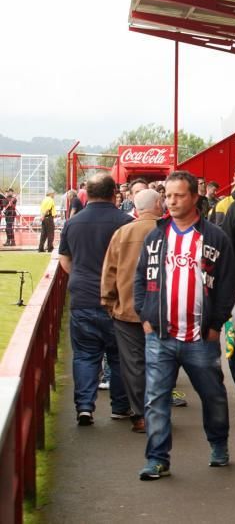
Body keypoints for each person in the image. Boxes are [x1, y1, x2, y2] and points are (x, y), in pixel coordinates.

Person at [133, 170, 235, 480]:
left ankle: (218, 444)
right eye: (168, 195)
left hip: (199, 338)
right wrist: (145, 315)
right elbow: (140, 278)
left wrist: (216, 324)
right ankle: (157, 459)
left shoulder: (215, 237)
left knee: (213, 395)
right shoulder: (155, 236)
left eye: (179, 195)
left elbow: (227, 285)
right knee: (155, 398)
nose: (172, 201)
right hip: (160, 335)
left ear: (194, 197)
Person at [58, 173, 132, 426]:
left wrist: (81, 276)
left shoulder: (73, 223)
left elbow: (65, 259)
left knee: (85, 355)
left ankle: (85, 407)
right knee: (118, 356)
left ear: (86, 194)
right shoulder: (125, 222)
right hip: (116, 300)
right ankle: (120, 406)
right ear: (115, 194)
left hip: (82, 296)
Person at [100, 189, 164, 434]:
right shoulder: (170, 231)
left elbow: (110, 271)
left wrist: (109, 301)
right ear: (159, 204)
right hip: (163, 310)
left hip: (126, 311)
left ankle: (140, 415)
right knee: (160, 362)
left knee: (133, 364)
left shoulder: (122, 233)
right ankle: (157, 411)